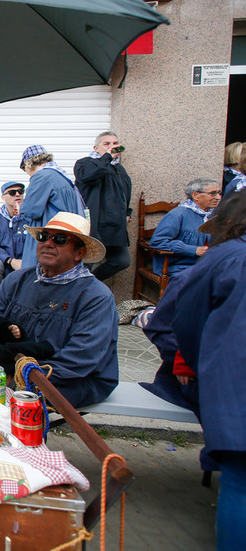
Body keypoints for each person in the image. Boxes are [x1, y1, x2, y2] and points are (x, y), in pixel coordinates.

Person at [161, 190, 246, 549]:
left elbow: (186, 324)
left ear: (227, 225)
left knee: (240, 481)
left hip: (236, 385)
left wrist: (197, 365)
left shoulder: (226, 256)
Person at [0, 212, 118, 408]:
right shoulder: (17, 280)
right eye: (43, 237)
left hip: (72, 380)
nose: (48, 243)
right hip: (15, 369)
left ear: (79, 253)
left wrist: (23, 377)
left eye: (59, 239)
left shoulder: (96, 297)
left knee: (15, 401)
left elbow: (81, 359)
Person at [74, 131, 132, 281]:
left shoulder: (120, 169)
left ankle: (89, 283)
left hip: (114, 228)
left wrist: (127, 214)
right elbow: (87, 175)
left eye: (115, 144)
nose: (111, 147)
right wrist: (107, 157)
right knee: (86, 263)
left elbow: (125, 194)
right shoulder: (85, 163)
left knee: (121, 261)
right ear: (96, 148)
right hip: (94, 226)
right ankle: (79, 291)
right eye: (106, 144)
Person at [18, 144, 86, 269]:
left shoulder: (42, 176)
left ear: (28, 164)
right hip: (64, 238)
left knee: (37, 274)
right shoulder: (63, 178)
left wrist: (21, 208)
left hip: (48, 236)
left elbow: (31, 210)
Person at [149, 178, 221, 275]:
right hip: (179, 267)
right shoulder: (178, 214)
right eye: (213, 193)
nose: (218, 197)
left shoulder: (212, 215)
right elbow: (158, 242)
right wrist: (193, 250)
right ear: (195, 195)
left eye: (219, 193)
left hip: (207, 265)